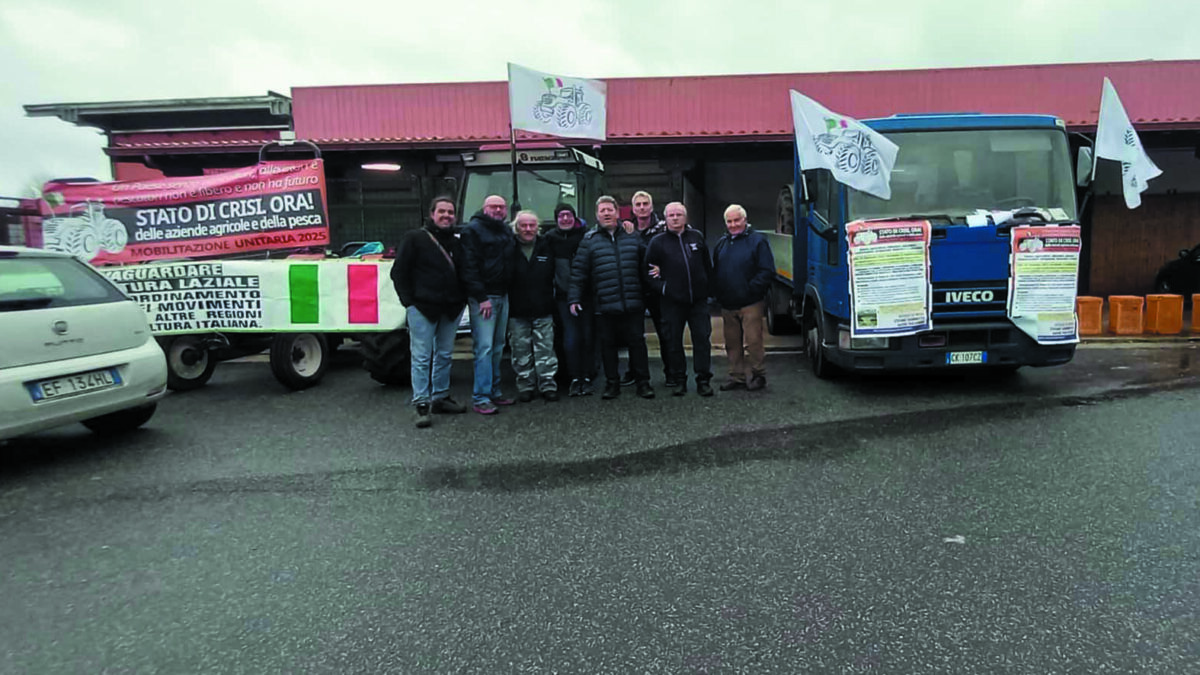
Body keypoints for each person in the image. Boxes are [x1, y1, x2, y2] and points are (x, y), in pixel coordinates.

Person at [390, 195, 468, 428]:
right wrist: (409, 303)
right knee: (422, 357)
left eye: (450, 212)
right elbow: (399, 272)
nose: (446, 216)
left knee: (444, 355)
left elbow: (463, 272)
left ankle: (440, 397)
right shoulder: (414, 238)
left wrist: (461, 299)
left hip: (450, 308)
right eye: (442, 211)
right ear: (432, 214)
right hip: (422, 307)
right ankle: (422, 404)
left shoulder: (456, 242)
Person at [568, 195, 655, 400]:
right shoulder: (589, 241)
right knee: (608, 346)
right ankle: (612, 384)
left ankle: (643, 383)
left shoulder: (632, 236)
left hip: (632, 302)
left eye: (610, 210)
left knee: (637, 344)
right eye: (602, 211)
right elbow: (579, 272)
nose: (606, 213)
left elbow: (647, 262)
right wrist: (574, 298)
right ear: (597, 215)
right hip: (604, 305)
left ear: (617, 212)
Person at [645, 202, 714, 397]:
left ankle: (703, 380)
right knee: (673, 342)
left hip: (698, 302)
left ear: (685, 217)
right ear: (665, 219)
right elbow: (648, 272)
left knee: (702, 339)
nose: (675, 218)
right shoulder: (657, 243)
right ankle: (679, 380)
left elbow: (707, 266)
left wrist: (708, 289)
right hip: (672, 302)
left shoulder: (697, 237)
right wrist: (664, 288)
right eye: (671, 215)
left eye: (679, 214)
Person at [461, 194, 516, 414]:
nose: (498, 210)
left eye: (502, 207)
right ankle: (481, 397)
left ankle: (494, 392)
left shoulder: (504, 230)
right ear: (484, 208)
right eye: (494, 206)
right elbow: (469, 266)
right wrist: (481, 297)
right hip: (484, 299)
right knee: (483, 348)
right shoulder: (472, 231)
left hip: (503, 295)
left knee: (497, 347)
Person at [712, 204, 774, 391]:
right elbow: (716, 271)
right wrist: (718, 293)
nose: (733, 225)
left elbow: (766, 271)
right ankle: (736, 376)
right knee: (732, 344)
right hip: (728, 304)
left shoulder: (758, 241)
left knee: (753, 342)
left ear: (745, 220)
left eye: (736, 220)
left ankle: (758, 375)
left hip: (750, 303)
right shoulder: (721, 243)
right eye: (729, 221)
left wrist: (750, 290)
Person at [507, 210, 559, 402]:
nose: (528, 229)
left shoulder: (547, 245)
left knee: (545, 349)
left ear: (538, 227)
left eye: (532, 225)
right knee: (520, 351)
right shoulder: (509, 247)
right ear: (516, 227)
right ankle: (526, 386)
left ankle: (547, 385)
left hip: (543, 307)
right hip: (517, 309)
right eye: (523, 225)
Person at [546, 203, 596, 397]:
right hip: (563, 296)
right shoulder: (550, 239)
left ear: (575, 217)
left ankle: (588, 375)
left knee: (588, 336)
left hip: (587, 295)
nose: (565, 219)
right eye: (561, 216)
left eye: (569, 215)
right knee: (570, 337)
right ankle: (574, 377)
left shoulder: (587, 236)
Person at [621, 190, 668, 386]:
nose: (641, 208)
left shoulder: (663, 228)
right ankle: (634, 372)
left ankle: (672, 372)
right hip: (634, 288)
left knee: (665, 332)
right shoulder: (625, 230)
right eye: (638, 204)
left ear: (651, 206)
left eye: (645, 204)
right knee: (634, 334)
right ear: (633, 208)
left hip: (657, 289)